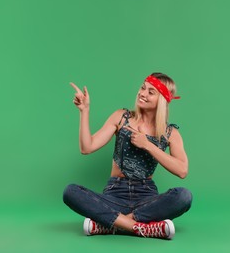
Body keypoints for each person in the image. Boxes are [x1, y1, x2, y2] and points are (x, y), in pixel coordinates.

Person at [63, 73, 192, 239]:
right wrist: (84, 111)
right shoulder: (121, 117)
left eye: (151, 92)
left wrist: (148, 145)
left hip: (147, 198)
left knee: (184, 196)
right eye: (143, 88)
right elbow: (87, 148)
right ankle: (140, 227)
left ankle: (111, 224)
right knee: (70, 191)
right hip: (115, 194)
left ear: (162, 100)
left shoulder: (170, 133)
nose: (142, 93)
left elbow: (182, 170)